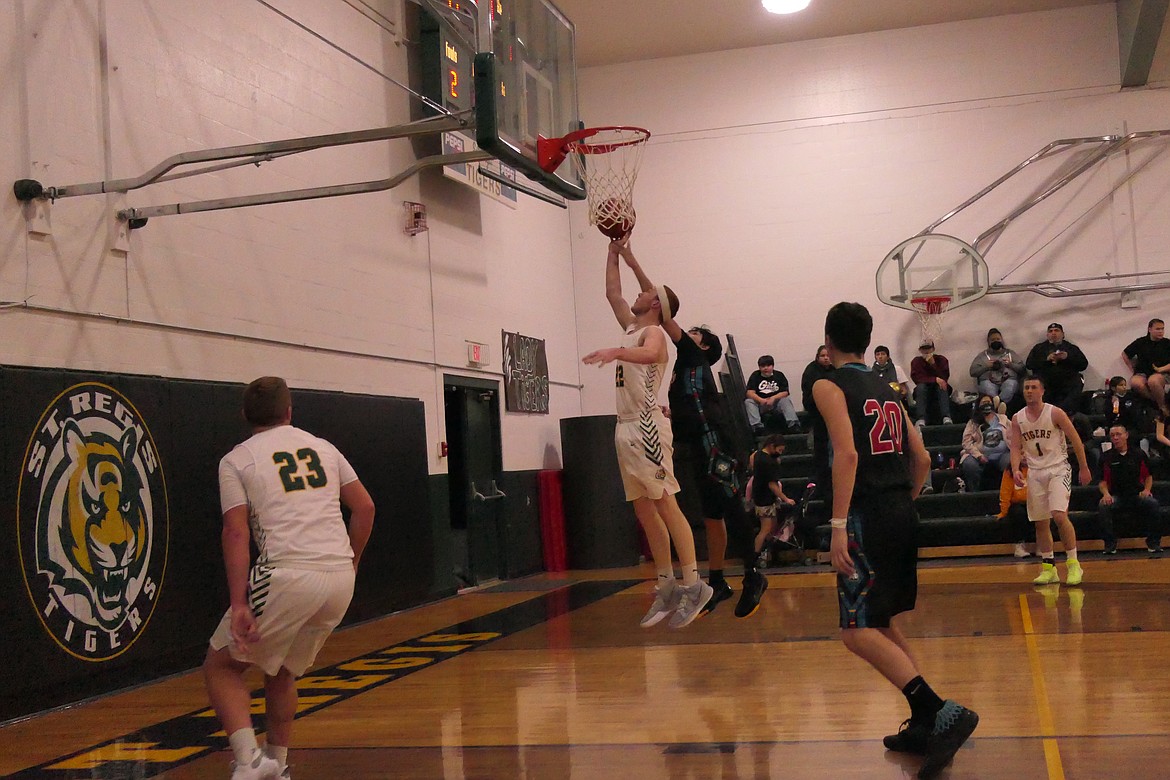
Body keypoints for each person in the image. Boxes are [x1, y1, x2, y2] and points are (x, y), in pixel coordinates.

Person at [813, 301, 978, 779]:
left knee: (854, 629)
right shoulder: (887, 386)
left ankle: (941, 711)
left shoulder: (828, 384)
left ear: (828, 342)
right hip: (901, 509)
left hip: (864, 514)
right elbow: (922, 457)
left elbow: (845, 453)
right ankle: (926, 722)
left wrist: (839, 526)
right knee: (881, 618)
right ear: (866, 340)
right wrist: (903, 500)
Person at [203, 376, 376, 780]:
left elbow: (235, 531)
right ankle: (277, 766)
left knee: (221, 667)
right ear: (290, 411)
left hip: (287, 572)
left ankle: (248, 762)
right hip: (337, 577)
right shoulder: (325, 448)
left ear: (245, 415)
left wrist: (240, 602)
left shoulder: (237, 459)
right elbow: (365, 507)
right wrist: (351, 562)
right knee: (281, 672)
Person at [613, 240, 768, 619]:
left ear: (704, 345)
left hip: (716, 443)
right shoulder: (682, 368)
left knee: (731, 507)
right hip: (693, 442)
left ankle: (753, 575)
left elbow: (661, 308)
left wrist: (633, 260)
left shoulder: (693, 353)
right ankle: (717, 581)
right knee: (711, 515)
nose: (686, 331)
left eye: (694, 332)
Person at [582, 237, 713, 628]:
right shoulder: (631, 326)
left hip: (646, 426)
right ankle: (666, 584)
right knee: (643, 508)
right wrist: (612, 251)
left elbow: (655, 355)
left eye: (646, 292)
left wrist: (615, 353)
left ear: (655, 304)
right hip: (625, 427)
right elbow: (612, 291)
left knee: (665, 504)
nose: (638, 292)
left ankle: (694, 585)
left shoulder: (652, 334)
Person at [1010, 375, 1093, 585]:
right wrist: (1016, 469)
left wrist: (1083, 467)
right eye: (1026, 387)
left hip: (1058, 468)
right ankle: (1049, 567)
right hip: (1035, 472)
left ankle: (1074, 564)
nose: (1029, 390)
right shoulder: (1017, 418)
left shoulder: (1054, 412)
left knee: (1059, 515)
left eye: (1033, 387)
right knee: (1040, 522)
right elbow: (1014, 447)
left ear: (1042, 391)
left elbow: (1075, 439)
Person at [1098, 424, 1163, 554]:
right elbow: (1102, 481)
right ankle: (1110, 545)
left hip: (1136, 495)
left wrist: (1147, 490)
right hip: (1116, 496)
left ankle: (1153, 543)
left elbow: (1148, 476)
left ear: (1126, 435)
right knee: (1103, 506)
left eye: (1118, 434)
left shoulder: (1138, 454)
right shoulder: (1106, 457)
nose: (1116, 438)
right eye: (1112, 435)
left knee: (1153, 504)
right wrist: (1106, 494)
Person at [750, 435, 797, 568]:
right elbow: (772, 485)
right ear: (772, 446)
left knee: (771, 528)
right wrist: (785, 498)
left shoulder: (757, 455)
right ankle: (754, 557)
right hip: (764, 499)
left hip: (760, 496)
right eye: (779, 450)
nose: (780, 453)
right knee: (765, 529)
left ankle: (768, 553)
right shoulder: (768, 462)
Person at [1025, 323, 1089, 415]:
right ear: (1047, 335)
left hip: (1067, 385)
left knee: (1077, 383)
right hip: (1046, 385)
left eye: (1056, 330)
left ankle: (1064, 414)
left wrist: (1067, 357)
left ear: (1063, 334)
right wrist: (1046, 359)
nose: (1053, 333)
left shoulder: (1071, 348)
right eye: (1050, 331)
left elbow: (1083, 365)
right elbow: (1029, 364)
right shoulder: (1039, 348)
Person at [959, 394, 1011, 492]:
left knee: (1011, 462)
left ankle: (1007, 492)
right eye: (983, 403)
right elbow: (966, 442)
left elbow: (1014, 434)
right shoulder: (973, 423)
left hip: (1002, 454)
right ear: (978, 406)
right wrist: (978, 455)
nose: (986, 405)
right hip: (980, 454)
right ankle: (975, 492)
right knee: (969, 465)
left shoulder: (1003, 419)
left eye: (989, 403)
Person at [1123, 318, 1170, 418]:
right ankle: (1155, 401)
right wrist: (1131, 368)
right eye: (1158, 329)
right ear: (1150, 329)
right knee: (1135, 383)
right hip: (1142, 373)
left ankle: (1162, 407)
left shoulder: (1167, 343)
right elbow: (1125, 354)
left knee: (1153, 381)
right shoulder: (1141, 342)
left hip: (1161, 373)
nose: (1161, 331)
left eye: (1162, 329)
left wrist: (1161, 369)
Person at [969, 328, 1024, 410]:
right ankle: (999, 408)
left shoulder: (1010, 353)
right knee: (988, 388)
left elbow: (1022, 369)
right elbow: (972, 372)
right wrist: (987, 366)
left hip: (1008, 379)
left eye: (998, 339)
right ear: (988, 342)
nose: (996, 341)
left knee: (1010, 386)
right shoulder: (982, 356)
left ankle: (996, 406)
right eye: (993, 340)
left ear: (1002, 340)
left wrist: (1010, 364)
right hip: (988, 381)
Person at [745, 355, 802, 434]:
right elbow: (749, 392)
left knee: (785, 400)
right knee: (749, 401)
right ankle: (757, 427)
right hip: (761, 405)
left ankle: (793, 425)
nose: (765, 368)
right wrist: (761, 400)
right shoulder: (755, 376)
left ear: (773, 366)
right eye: (763, 366)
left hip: (776, 404)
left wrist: (773, 398)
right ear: (759, 367)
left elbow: (785, 392)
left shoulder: (779, 375)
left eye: (768, 365)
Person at [910, 339, 953, 427]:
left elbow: (944, 377)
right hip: (923, 389)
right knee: (921, 387)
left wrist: (933, 365)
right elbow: (917, 378)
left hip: (938, 389)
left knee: (941, 385)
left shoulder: (941, 359)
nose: (926, 351)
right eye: (924, 349)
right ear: (920, 350)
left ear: (933, 349)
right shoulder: (916, 361)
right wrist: (935, 379)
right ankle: (921, 418)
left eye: (928, 348)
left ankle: (946, 417)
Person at [998, 463, 1034, 558]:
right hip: (1018, 504)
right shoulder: (1010, 471)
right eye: (1021, 453)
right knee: (1018, 513)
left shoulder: (1037, 467)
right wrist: (1004, 512)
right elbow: (1005, 492)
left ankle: (1042, 545)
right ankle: (1019, 546)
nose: (1024, 456)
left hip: (1035, 503)